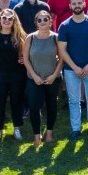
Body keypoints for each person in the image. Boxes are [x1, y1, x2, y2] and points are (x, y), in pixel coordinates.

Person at [57, 0, 88, 139]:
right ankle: (75, 128)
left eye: (80, 3)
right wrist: (75, 67)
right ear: (70, 5)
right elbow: (62, 50)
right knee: (74, 101)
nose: (77, 6)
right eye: (74, 3)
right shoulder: (64, 26)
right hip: (71, 70)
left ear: (84, 4)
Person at [0, 8, 28, 143]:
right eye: (4, 18)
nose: (7, 20)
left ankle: (17, 128)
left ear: (14, 21)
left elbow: (28, 54)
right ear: (0, 19)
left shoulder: (20, 37)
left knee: (16, 102)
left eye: (10, 18)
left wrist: (25, 59)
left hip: (17, 75)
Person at [23, 9, 61, 147]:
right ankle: (37, 135)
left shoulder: (56, 37)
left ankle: (49, 132)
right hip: (34, 79)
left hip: (52, 78)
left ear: (50, 21)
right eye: (39, 20)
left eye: (46, 19)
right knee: (34, 106)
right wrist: (34, 76)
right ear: (36, 23)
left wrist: (54, 75)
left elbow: (62, 59)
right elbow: (25, 59)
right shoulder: (30, 38)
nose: (43, 22)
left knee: (51, 105)